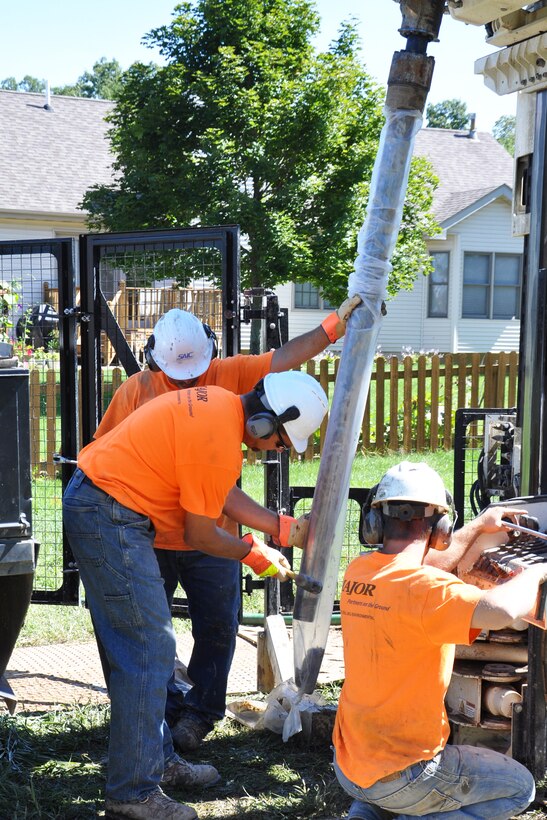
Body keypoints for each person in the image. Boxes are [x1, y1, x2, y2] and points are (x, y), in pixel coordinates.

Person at [94, 299, 359, 752]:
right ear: (155, 362)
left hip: (210, 534)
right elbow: (108, 462)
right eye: (177, 379)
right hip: (149, 535)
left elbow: (284, 359)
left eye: (194, 375)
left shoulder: (226, 379)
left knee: (218, 625)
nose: (187, 384)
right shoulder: (135, 391)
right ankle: (153, 719)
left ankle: (198, 714)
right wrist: (259, 548)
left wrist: (334, 326)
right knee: (142, 632)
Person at [63, 370, 328, 820]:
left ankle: (154, 762)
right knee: (148, 648)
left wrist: (281, 529)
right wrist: (252, 554)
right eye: (283, 441)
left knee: (144, 647)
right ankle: (132, 793)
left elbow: (218, 491)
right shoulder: (218, 434)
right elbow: (202, 533)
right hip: (109, 512)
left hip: (104, 505)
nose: (279, 450)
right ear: (266, 422)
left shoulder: (221, 409)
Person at [332, 461, 542, 820]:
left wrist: (479, 526)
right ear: (442, 528)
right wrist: (538, 570)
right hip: (408, 774)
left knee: (382, 789)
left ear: (375, 522)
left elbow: (424, 567)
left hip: (349, 767)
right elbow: (504, 610)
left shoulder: (360, 572)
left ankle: (369, 811)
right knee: (521, 788)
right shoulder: (429, 591)